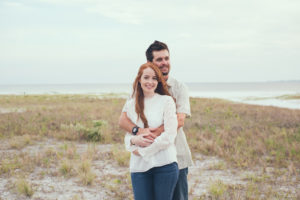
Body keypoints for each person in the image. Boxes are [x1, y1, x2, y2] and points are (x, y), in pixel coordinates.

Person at [119, 40, 193, 200]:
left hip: (175, 157)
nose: (164, 63)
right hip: (144, 162)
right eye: (159, 59)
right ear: (149, 63)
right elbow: (123, 120)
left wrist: (152, 135)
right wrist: (138, 132)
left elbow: (179, 121)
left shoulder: (179, 88)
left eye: (167, 58)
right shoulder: (137, 91)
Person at [123, 62, 179, 200]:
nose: (150, 82)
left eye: (154, 78)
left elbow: (169, 135)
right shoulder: (130, 104)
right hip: (139, 168)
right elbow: (127, 136)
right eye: (146, 77)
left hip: (165, 165)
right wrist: (134, 140)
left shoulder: (166, 101)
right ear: (139, 80)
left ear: (158, 81)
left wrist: (142, 151)